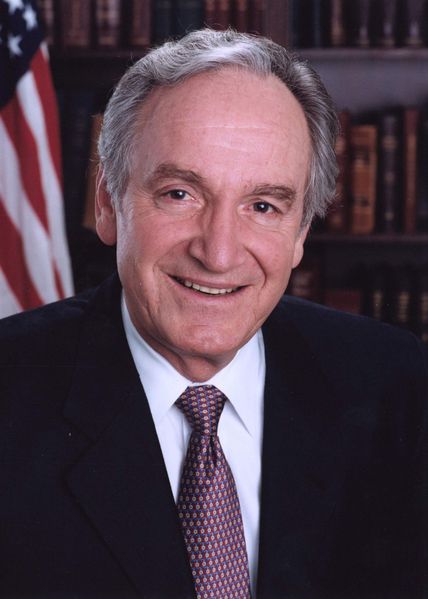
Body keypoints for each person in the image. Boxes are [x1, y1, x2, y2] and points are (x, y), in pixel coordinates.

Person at [0, 28, 426, 599]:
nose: (219, 253)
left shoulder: (394, 381)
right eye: (180, 194)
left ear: (301, 232)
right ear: (107, 203)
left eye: (263, 206)